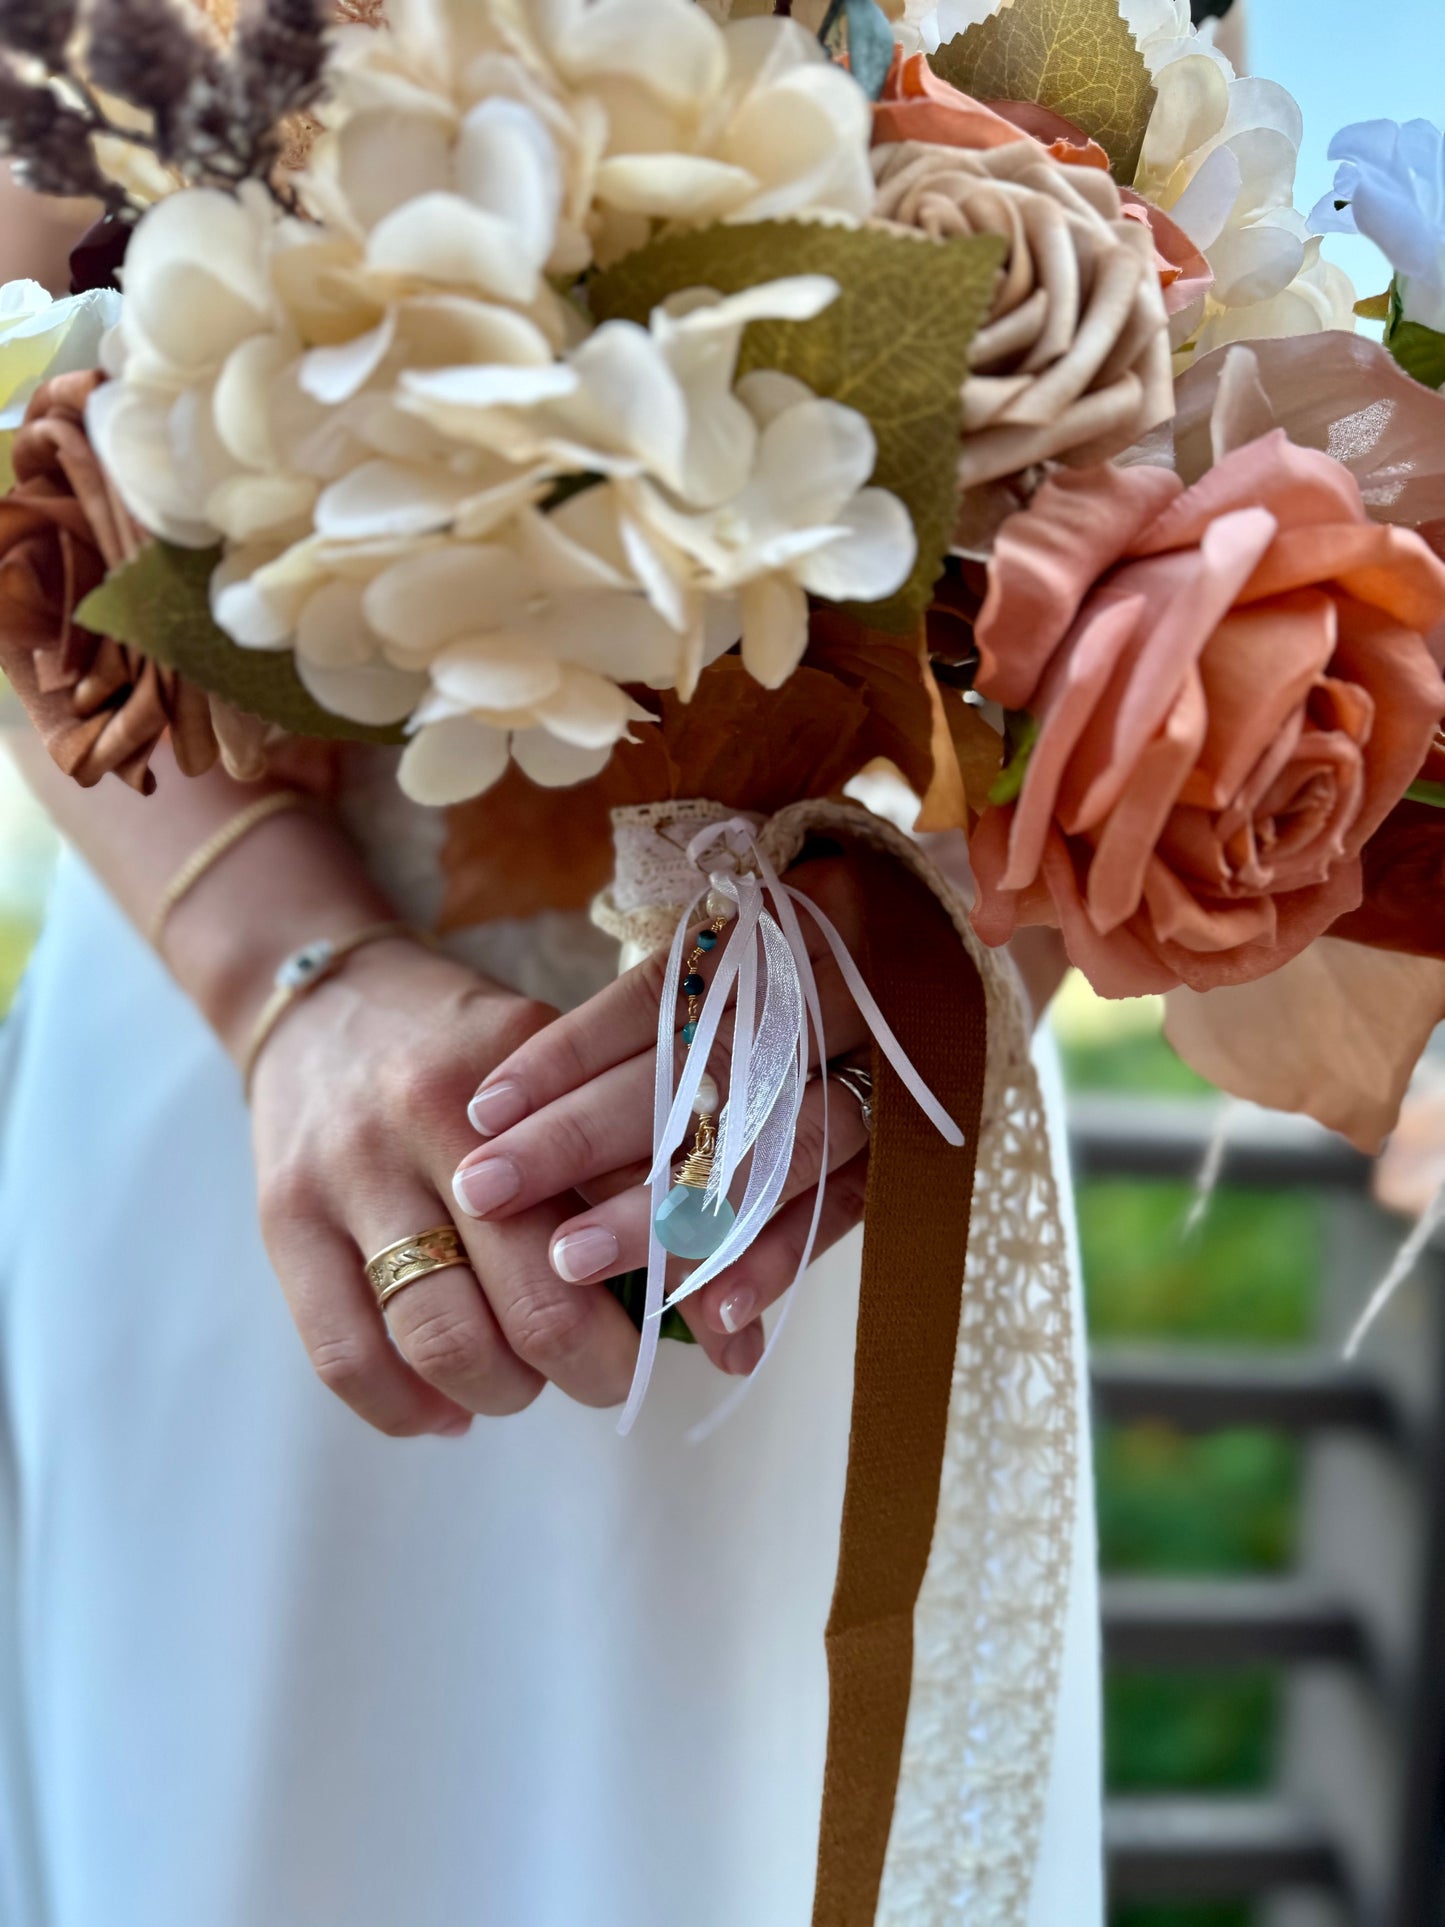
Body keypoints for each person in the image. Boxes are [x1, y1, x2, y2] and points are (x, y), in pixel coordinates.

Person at [0, 185, 1100, 1927]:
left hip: (816, 1119)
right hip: (240, 1051)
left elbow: (1161, 483)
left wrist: (921, 952)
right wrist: (293, 989)